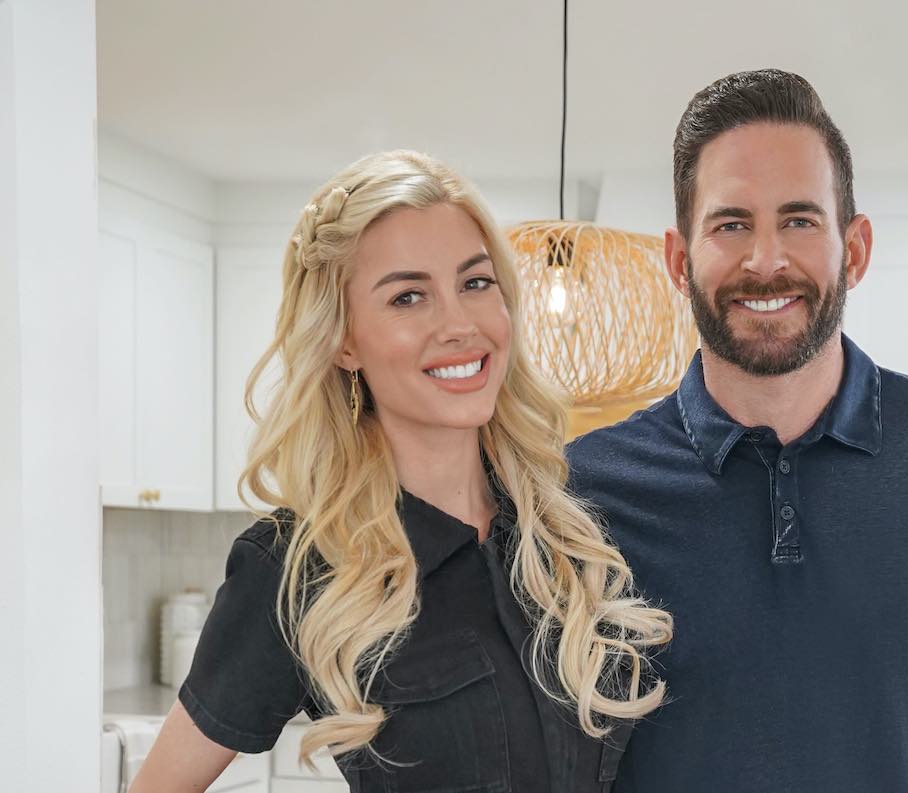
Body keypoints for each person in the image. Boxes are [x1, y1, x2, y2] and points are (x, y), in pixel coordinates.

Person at [567, 69, 908, 793]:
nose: (767, 259)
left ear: (857, 248)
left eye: (800, 220)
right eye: (731, 224)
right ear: (679, 260)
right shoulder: (581, 491)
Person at [131, 150, 672, 793]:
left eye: (475, 283)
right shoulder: (296, 570)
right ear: (344, 341)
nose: (458, 324)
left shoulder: (569, 529)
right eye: (408, 297)